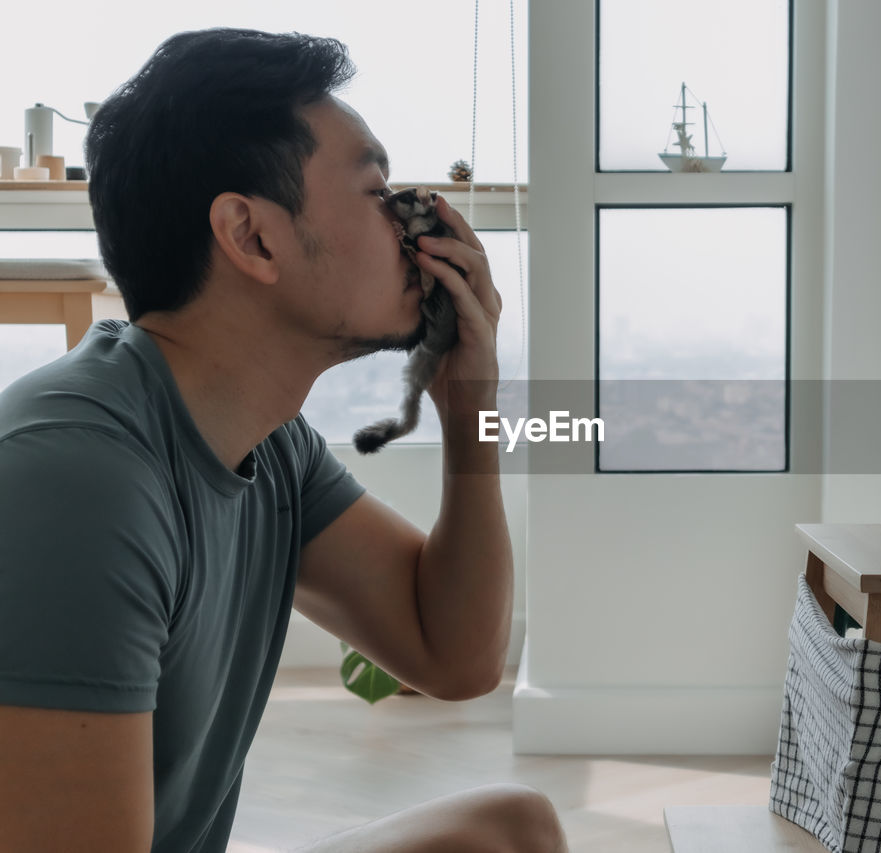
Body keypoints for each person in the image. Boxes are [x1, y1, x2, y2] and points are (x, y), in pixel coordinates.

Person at [0, 28, 568, 853]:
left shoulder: (269, 447)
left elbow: (453, 654)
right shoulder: (78, 478)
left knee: (512, 830)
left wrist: (467, 408)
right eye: (378, 191)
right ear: (251, 236)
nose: (416, 228)